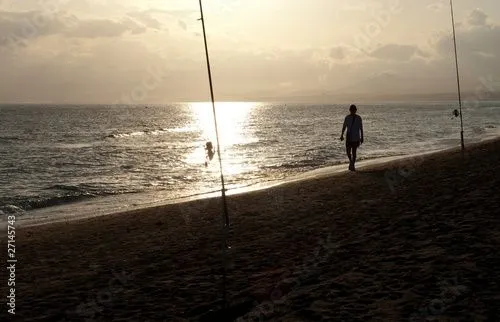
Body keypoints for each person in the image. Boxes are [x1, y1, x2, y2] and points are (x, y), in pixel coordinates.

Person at [340, 104, 364, 171]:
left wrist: (362, 137)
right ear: (350, 110)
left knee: (354, 152)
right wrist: (341, 135)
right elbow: (344, 126)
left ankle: (353, 164)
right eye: (351, 110)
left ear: (355, 110)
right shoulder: (347, 118)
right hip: (349, 137)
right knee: (348, 152)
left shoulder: (359, 118)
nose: (353, 111)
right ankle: (351, 161)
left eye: (354, 110)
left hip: (356, 138)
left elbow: (361, 128)